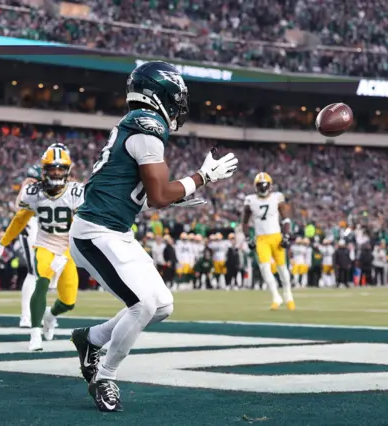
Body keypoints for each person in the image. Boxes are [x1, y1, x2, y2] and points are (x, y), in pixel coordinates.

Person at [67, 61, 238, 412]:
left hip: (114, 231)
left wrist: (183, 193)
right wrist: (201, 177)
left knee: (161, 306)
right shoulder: (148, 124)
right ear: (161, 94)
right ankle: (105, 376)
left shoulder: (138, 125)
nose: (180, 104)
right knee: (141, 304)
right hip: (95, 233)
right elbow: (159, 194)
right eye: (177, 97)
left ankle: (92, 338)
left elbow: (144, 196)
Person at [0, 145, 84, 351]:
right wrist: (3, 243)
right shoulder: (33, 191)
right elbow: (20, 219)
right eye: (53, 169)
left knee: (69, 302)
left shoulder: (77, 192)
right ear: (44, 170)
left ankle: (50, 316)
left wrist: (74, 251)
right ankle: (35, 334)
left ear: (68, 170)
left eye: (61, 169)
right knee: (41, 280)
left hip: (67, 247)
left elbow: (83, 225)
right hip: (44, 243)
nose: (57, 173)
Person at [241, 172, 295, 310]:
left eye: (265, 185)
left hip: (276, 236)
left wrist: (287, 234)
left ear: (270, 186)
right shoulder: (250, 200)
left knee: (282, 267)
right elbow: (245, 222)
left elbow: (286, 218)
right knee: (264, 268)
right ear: (256, 186)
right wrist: (248, 237)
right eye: (260, 185)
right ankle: (276, 296)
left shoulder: (277, 197)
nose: (263, 188)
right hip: (261, 238)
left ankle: (288, 294)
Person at [15, 164, 42, 327]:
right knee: (33, 272)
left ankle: (36, 312)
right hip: (31, 227)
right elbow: (19, 207)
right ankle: (26, 315)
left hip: (42, 228)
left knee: (43, 273)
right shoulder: (30, 186)